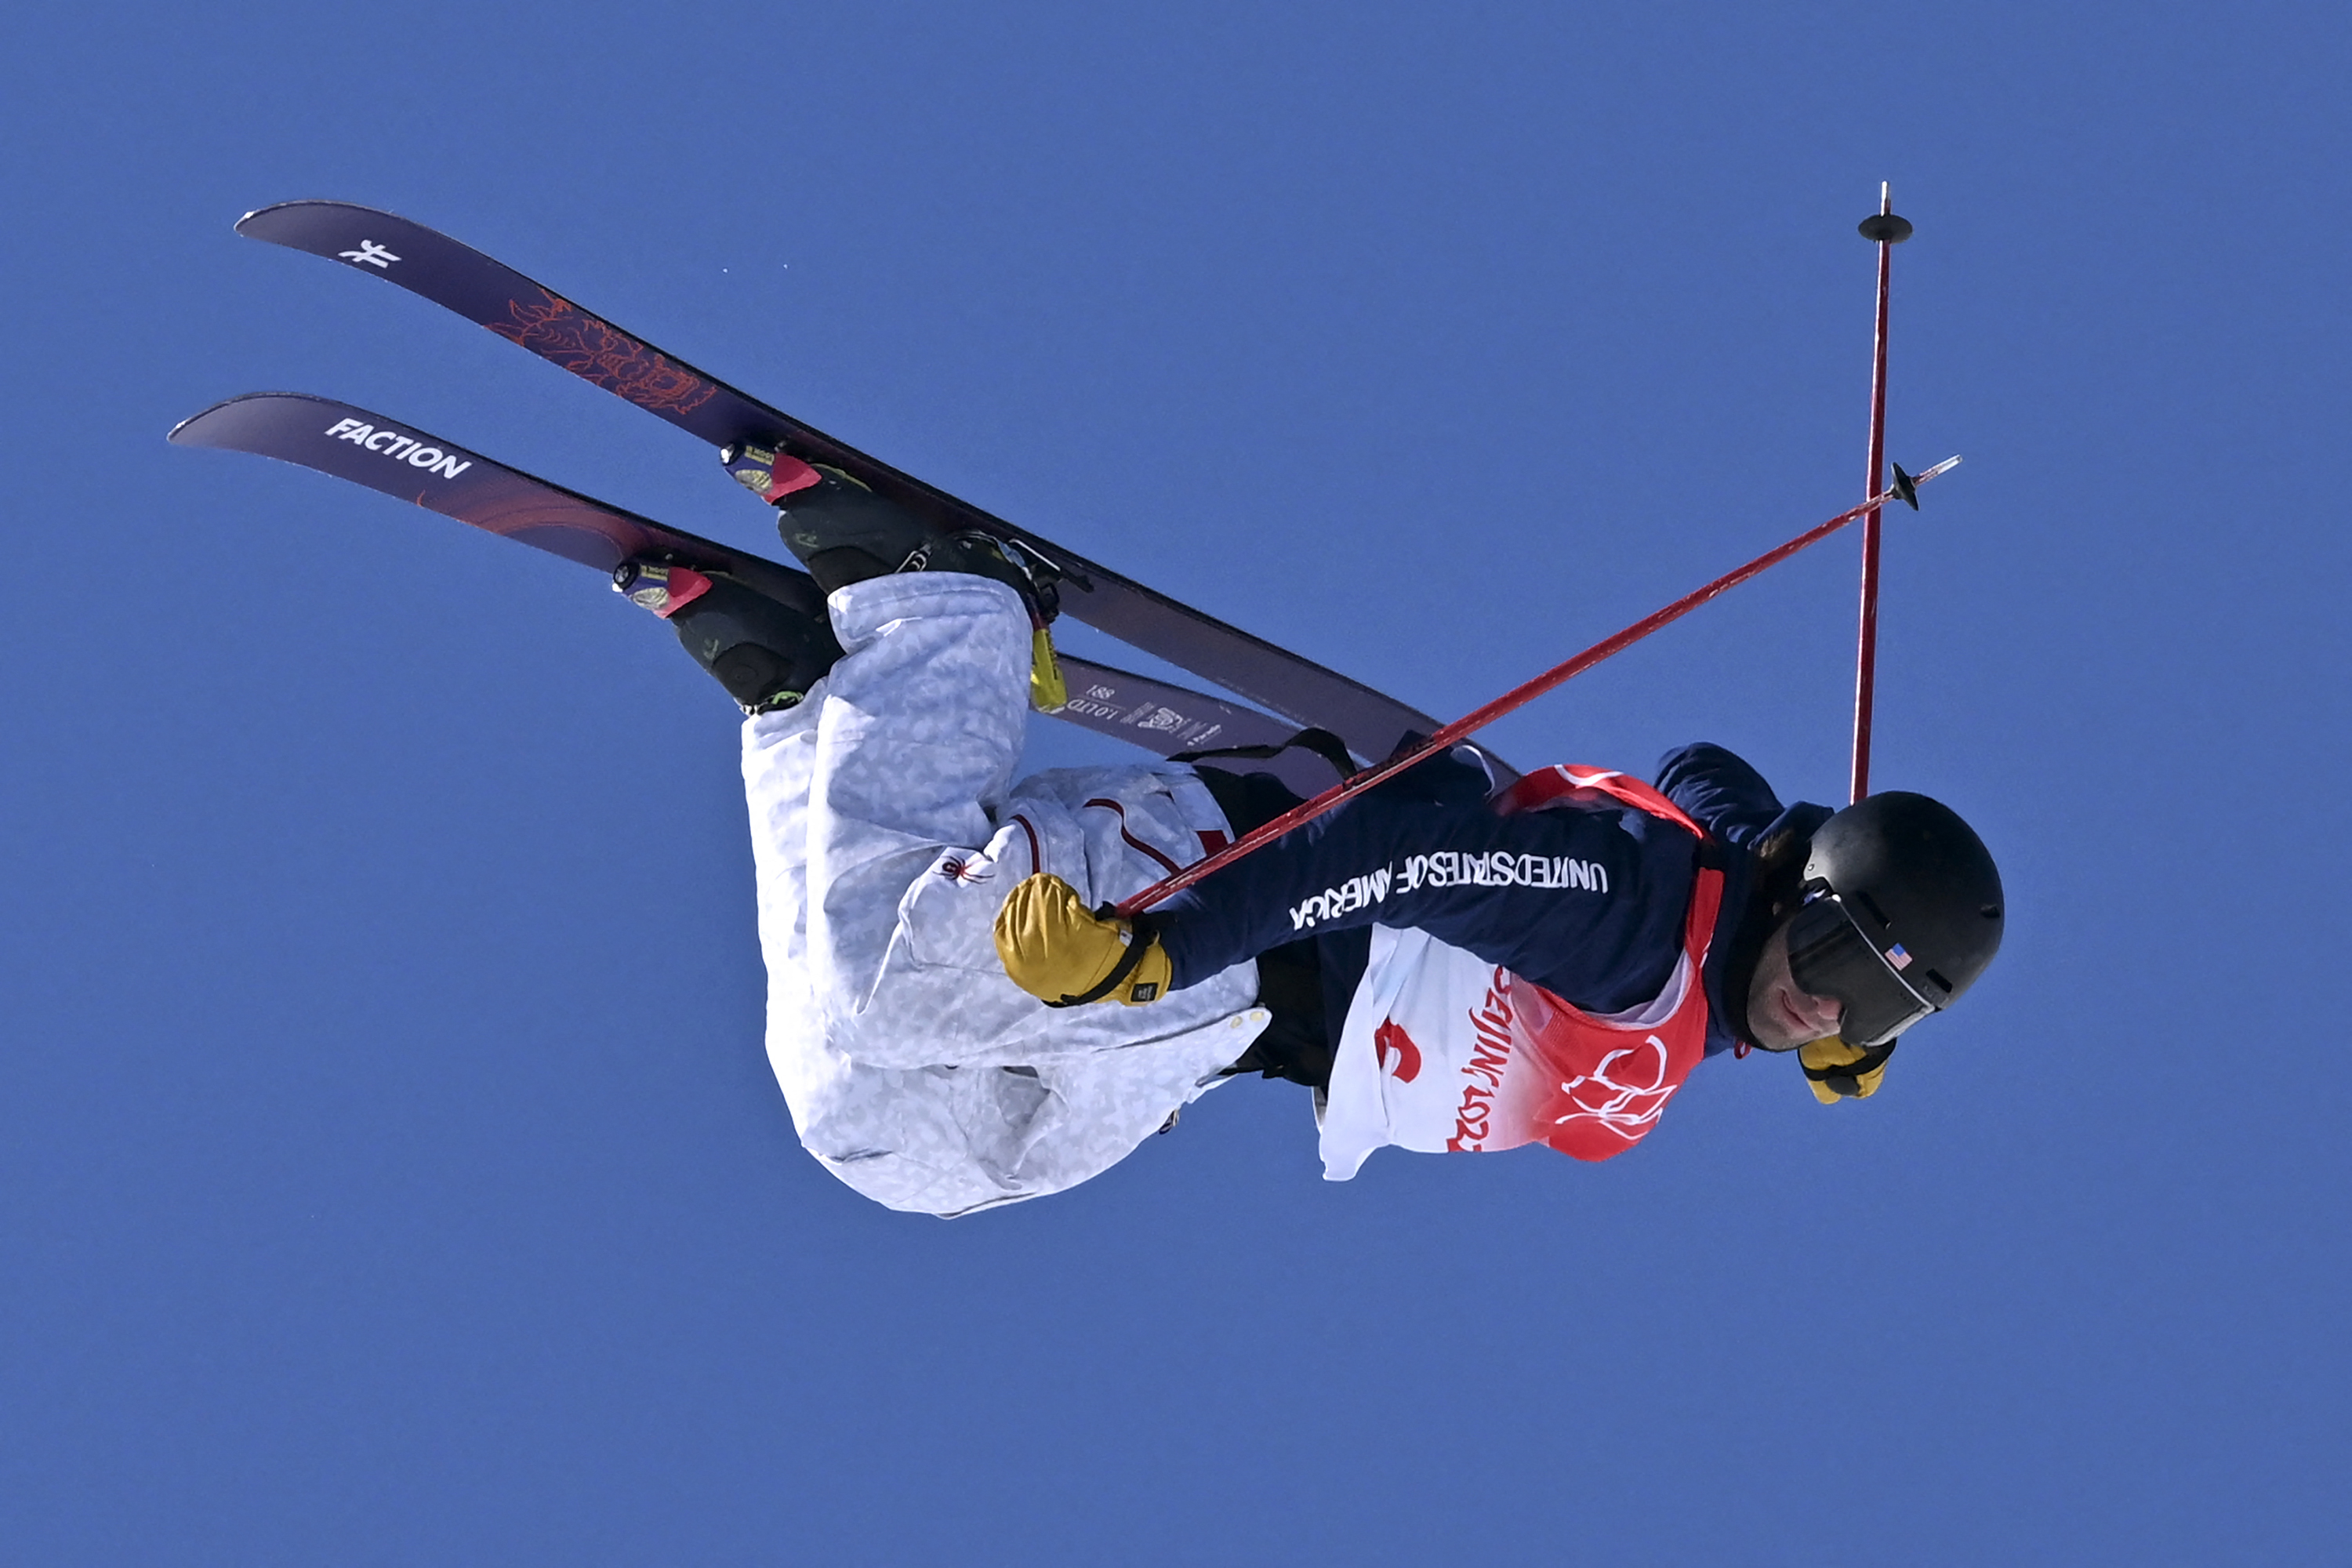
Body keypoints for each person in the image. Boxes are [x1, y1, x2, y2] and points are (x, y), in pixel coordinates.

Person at [619, 456, 2005, 1216]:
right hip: (1217, 895)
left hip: (1224, 1039)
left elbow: (1705, 773)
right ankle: (949, 606)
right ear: (1795, 896)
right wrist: (1155, 954)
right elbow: (1397, 860)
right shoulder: (1623, 920)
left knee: (881, 1136)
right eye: (1835, 951)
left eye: (1877, 1006)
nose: (1827, 997)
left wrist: (1801, 929)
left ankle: (818, 709)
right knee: (889, 981)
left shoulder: (1726, 960)